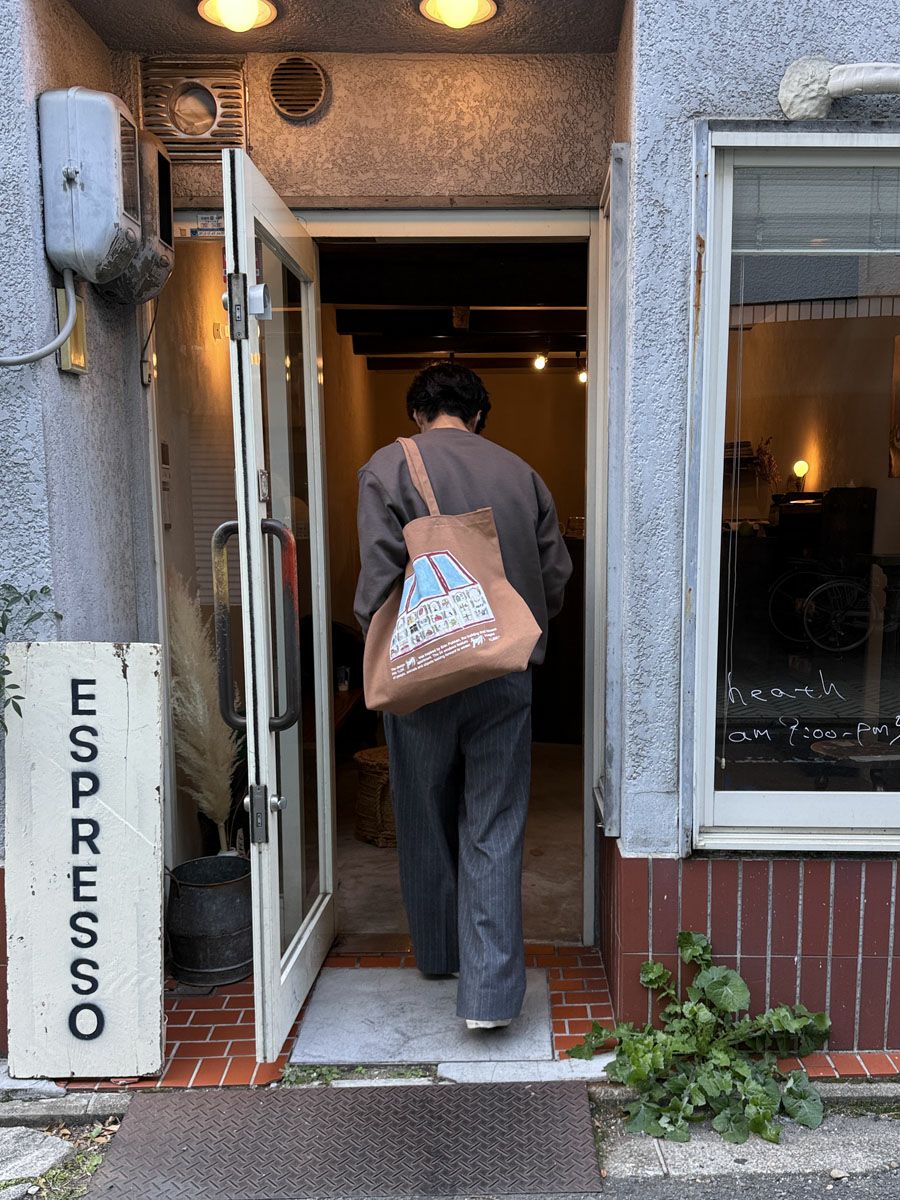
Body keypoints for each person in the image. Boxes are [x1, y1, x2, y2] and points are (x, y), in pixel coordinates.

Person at [354, 362, 572, 1030]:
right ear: (478, 415)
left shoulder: (386, 468)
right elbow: (555, 576)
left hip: (421, 672)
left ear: (418, 414)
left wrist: (380, 642)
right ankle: (489, 998)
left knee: (422, 814)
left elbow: (377, 581)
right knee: (494, 821)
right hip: (503, 670)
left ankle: (440, 955)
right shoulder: (520, 473)